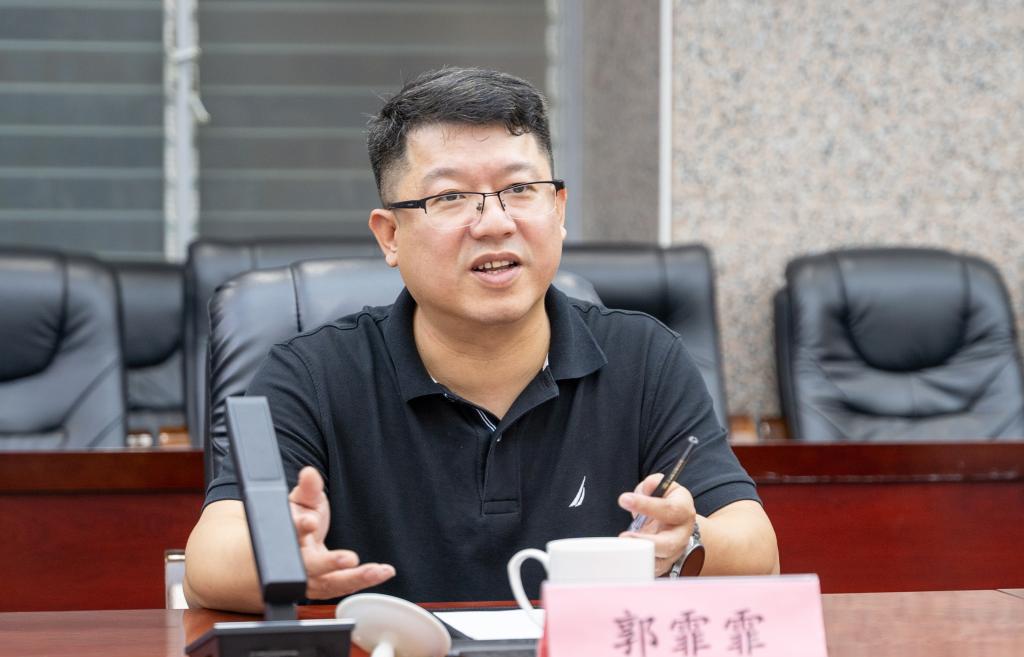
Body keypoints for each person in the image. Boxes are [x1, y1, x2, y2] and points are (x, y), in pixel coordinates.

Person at [184, 67, 778, 614]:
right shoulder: (312, 374)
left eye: (520, 189)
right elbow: (209, 563)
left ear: (559, 209)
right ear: (390, 236)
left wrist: (688, 538)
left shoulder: (642, 357)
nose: (495, 223)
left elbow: (757, 549)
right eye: (450, 197)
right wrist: (284, 561)